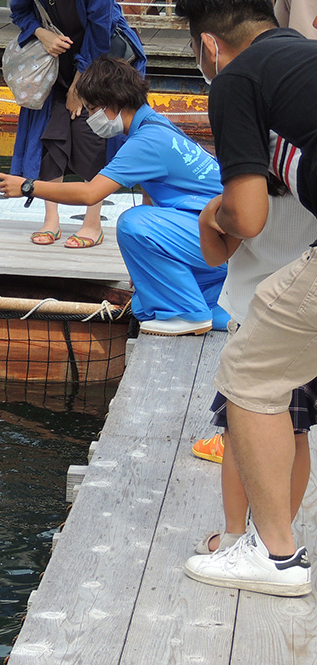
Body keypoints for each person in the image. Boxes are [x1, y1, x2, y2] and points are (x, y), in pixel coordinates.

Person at [175, 0, 317, 597]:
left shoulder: (238, 77)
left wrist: (214, 210)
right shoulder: (303, 62)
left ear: (209, 44)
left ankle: (273, 555)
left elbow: (248, 218)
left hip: (263, 278)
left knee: (251, 381)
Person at [0, 57, 229, 336]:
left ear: (112, 103)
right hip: (214, 233)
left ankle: (191, 317)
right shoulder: (156, 124)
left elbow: (90, 192)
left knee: (133, 223)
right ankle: (215, 311)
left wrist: (29, 186)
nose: (90, 117)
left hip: (221, 239)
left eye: (92, 109)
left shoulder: (146, 142)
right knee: (143, 306)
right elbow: (152, 194)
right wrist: (145, 261)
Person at [192, 178, 317, 556]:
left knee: (242, 431)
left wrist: (206, 221)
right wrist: (206, 220)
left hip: (266, 321)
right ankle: (267, 534)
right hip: (297, 323)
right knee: (292, 433)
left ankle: (252, 538)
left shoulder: (248, 186)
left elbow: (215, 255)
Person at [8, 0, 145, 248]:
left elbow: (100, 33)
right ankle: (51, 220)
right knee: (50, 132)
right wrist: (42, 34)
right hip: (52, 61)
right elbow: (20, 11)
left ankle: (92, 223)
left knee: (90, 134)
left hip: (99, 60)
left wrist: (78, 86)